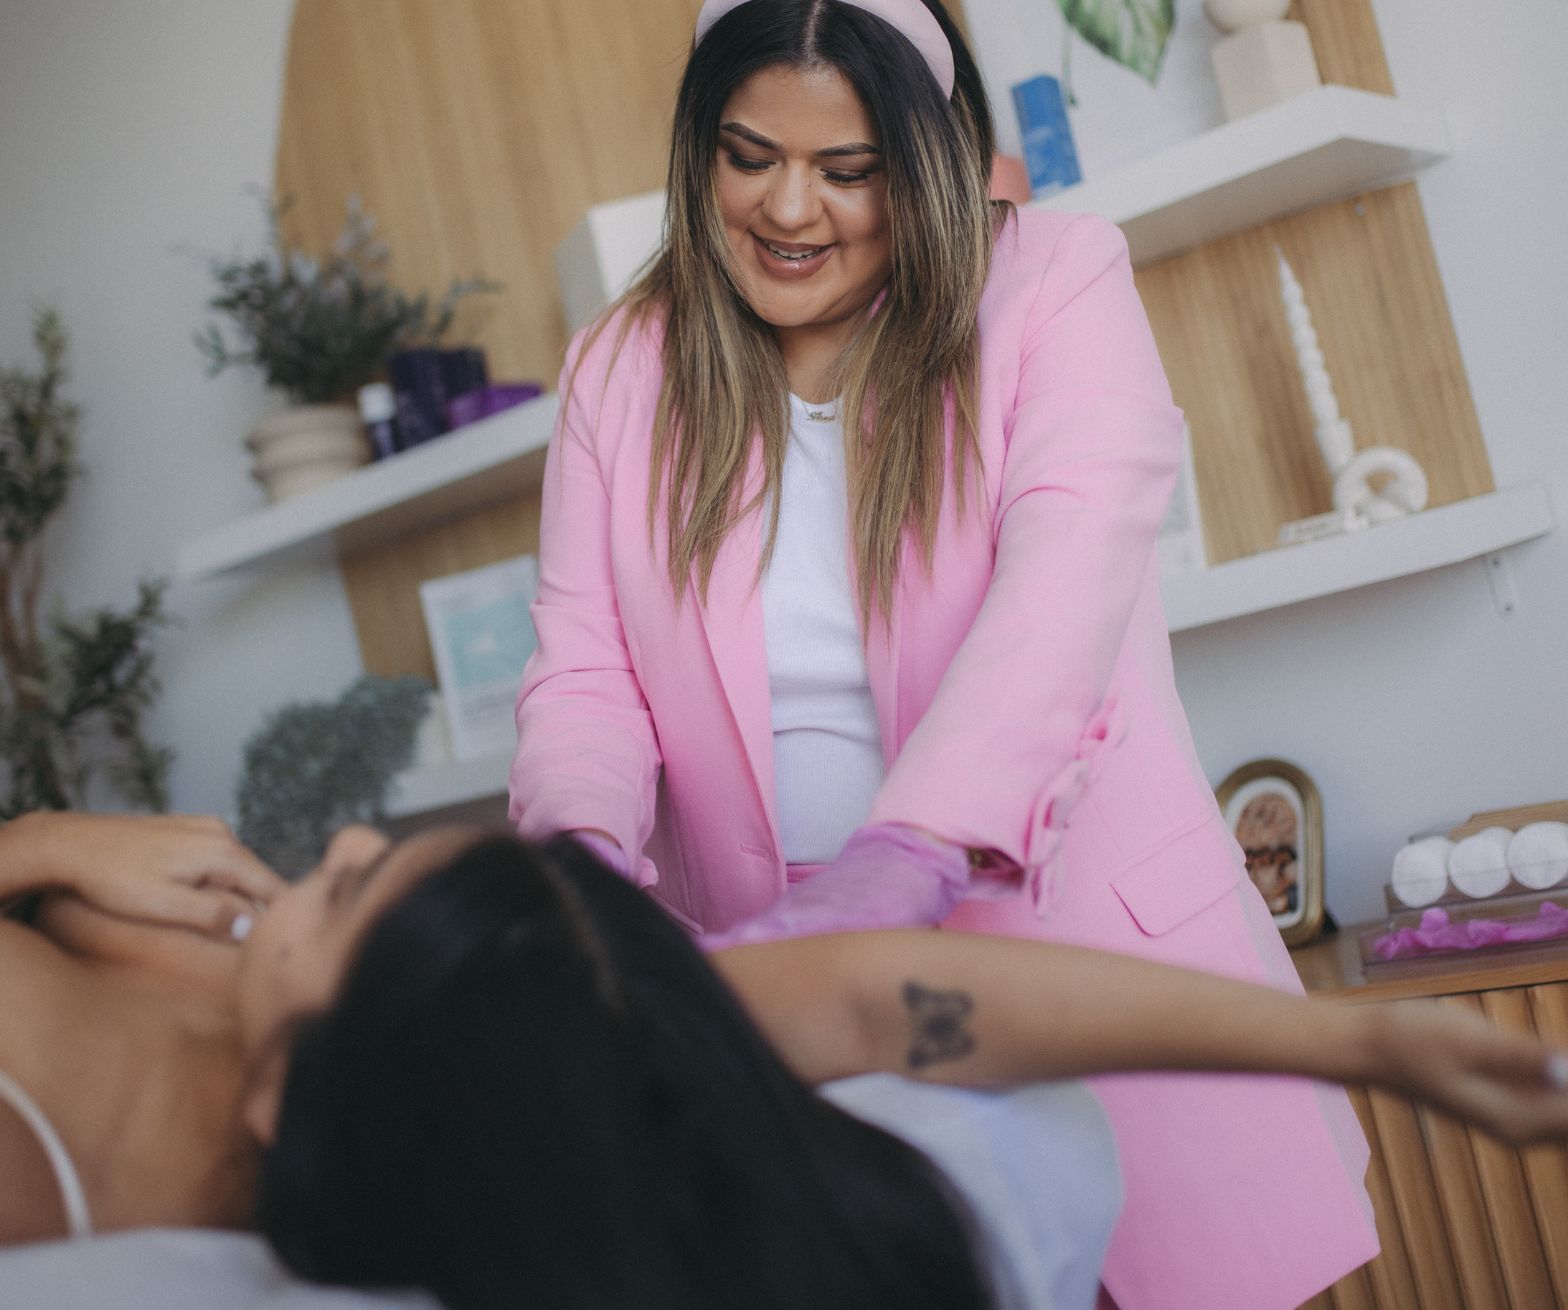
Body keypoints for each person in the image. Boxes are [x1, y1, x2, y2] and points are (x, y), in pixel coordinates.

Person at [508, 0, 1377, 1303]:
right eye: (749, 154)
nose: (790, 209)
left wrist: (908, 846)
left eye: (847, 170)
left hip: (1080, 949)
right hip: (792, 992)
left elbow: (1064, 590)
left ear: (923, 152)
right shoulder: (618, 373)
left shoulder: (1054, 282)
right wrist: (578, 868)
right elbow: (586, 671)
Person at [2, 812, 1568, 1309]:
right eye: (360, 872)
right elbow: (892, 1002)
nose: (324, 838)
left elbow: (875, 1007)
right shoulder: (438, 1034)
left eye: (344, 881)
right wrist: (1349, 1036)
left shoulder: (479, 1045)